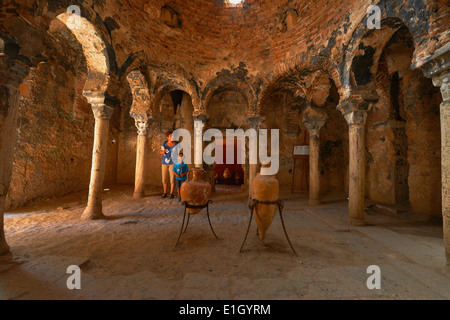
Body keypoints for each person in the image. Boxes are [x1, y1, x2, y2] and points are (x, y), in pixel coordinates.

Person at [160, 130, 179, 199]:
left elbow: (180, 153)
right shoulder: (164, 143)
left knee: (172, 178)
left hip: (173, 163)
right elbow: (161, 151)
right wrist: (163, 151)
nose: (172, 137)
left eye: (173, 136)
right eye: (171, 136)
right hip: (164, 163)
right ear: (167, 137)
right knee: (164, 178)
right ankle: (165, 192)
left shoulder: (176, 144)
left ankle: (171, 193)